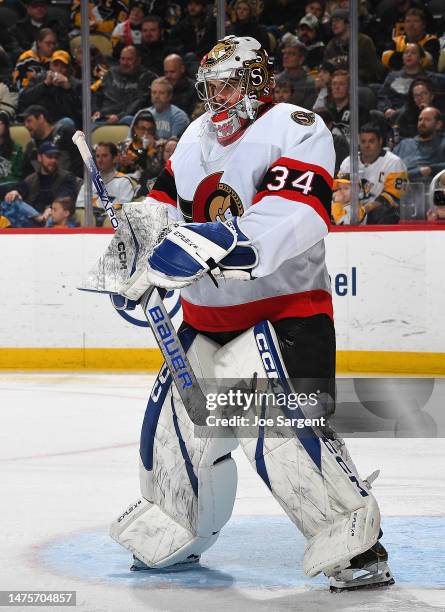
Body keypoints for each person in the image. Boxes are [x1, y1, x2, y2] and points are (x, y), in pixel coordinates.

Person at [90, 35, 394, 592]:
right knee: (172, 433)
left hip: (285, 314)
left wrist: (218, 242)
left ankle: (353, 544)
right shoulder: (194, 137)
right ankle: (177, 525)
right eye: (209, 89)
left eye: (229, 85)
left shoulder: (299, 127)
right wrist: (132, 248)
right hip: (206, 322)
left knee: (284, 437)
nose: (218, 98)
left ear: (257, 81)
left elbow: (293, 216)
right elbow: (162, 207)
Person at [337, 124, 409, 224]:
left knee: (384, 213)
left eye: (371, 141)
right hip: (352, 209)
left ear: (380, 141)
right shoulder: (348, 162)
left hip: (380, 212)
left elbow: (393, 196)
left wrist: (365, 209)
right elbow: (340, 190)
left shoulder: (394, 162)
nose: (367, 145)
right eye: (363, 141)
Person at [2, 142, 78, 225]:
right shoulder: (31, 179)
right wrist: (15, 191)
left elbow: (64, 198)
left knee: (57, 216)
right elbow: (19, 188)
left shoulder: (66, 177)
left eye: (56, 157)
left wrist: (50, 209)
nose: (53, 160)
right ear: (39, 157)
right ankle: (38, 217)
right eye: (49, 156)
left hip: (52, 216)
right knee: (11, 200)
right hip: (33, 218)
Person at [92, 46, 156, 125]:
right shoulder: (111, 73)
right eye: (122, 59)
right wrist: (95, 111)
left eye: (129, 59)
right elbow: (98, 95)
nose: (125, 63)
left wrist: (119, 117)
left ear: (138, 61)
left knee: (128, 119)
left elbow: (139, 104)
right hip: (104, 117)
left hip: (126, 119)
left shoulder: (147, 77)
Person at [18, 50, 82, 128]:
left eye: (63, 66)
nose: (59, 69)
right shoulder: (39, 79)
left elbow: (79, 113)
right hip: (41, 121)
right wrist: (45, 85)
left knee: (66, 122)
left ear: (68, 69)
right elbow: (24, 99)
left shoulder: (76, 84)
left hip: (62, 123)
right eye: (55, 65)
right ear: (50, 65)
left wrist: (68, 89)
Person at [75, 142, 135, 225]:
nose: (100, 160)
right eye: (98, 156)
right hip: (90, 225)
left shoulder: (124, 181)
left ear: (115, 158)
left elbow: (124, 209)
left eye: (104, 156)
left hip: (113, 226)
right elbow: (80, 206)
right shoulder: (89, 182)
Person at [323, 8, 384, 84]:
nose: (333, 24)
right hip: (337, 84)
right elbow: (326, 70)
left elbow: (372, 69)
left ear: (348, 23)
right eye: (332, 22)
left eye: (337, 20)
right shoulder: (331, 45)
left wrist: (349, 75)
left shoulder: (364, 41)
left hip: (360, 84)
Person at [21, 105, 83, 178]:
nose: (26, 125)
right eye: (24, 122)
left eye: (29, 121)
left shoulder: (65, 134)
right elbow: (25, 176)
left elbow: (81, 163)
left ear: (41, 118)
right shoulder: (31, 147)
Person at [394, 106, 445, 183]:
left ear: (438, 124)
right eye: (420, 119)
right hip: (401, 187)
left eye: (427, 120)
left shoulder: (442, 142)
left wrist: (430, 169)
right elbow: (389, 167)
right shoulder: (404, 144)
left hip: (433, 188)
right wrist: (418, 172)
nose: (422, 123)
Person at [275, 40, 317, 109]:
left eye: (291, 54)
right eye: (284, 53)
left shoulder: (310, 83)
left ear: (301, 59)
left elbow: (308, 110)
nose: (285, 57)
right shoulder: (275, 80)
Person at [0, 113, 23, 195]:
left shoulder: (16, 148)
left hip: (10, 191)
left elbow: (17, 176)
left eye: (0, 123)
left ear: (6, 126)